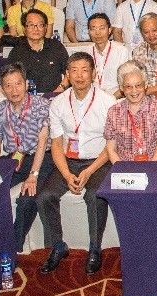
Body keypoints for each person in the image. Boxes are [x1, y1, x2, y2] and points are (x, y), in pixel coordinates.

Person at [38, 52, 114, 275]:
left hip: (99, 161)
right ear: (67, 75)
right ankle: (57, 245)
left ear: (93, 74)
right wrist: (66, 174)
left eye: (84, 70)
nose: (79, 76)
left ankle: (95, 248)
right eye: (74, 71)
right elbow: (57, 144)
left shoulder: (108, 102)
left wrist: (89, 171)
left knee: (94, 196)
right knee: (45, 196)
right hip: (69, 162)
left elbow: (111, 145)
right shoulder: (58, 103)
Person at [0, 63, 52, 254]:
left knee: (27, 198)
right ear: (2, 89)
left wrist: (33, 174)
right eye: (8, 86)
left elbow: (42, 140)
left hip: (41, 158)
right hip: (14, 158)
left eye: (18, 84)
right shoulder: (0, 109)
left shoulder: (42, 105)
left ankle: (12, 247)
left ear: (26, 84)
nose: (14, 90)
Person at [103, 61, 157, 163]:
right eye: (128, 86)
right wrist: (122, 170)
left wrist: (149, 169)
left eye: (138, 85)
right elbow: (111, 149)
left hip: (154, 165)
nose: (134, 91)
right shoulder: (114, 112)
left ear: (145, 85)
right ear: (122, 88)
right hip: (125, 167)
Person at [9, 8, 70, 93]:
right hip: (27, 97)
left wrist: (58, 91)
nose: (36, 29)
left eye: (40, 25)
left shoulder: (57, 47)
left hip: (55, 96)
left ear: (45, 28)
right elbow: (11, 79)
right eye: (31, 25)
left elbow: (69, 72)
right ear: (24, 29)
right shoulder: (16, 52)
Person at [86, 13, 128, 95]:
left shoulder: (121, 51)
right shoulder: (86, 52)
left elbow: (127, 83)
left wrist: (110, 99)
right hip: (92, 98)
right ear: (89, 32)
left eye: (101, 28)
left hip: (116, 98)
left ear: (109, 30)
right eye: (93, 29)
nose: (97, 33)